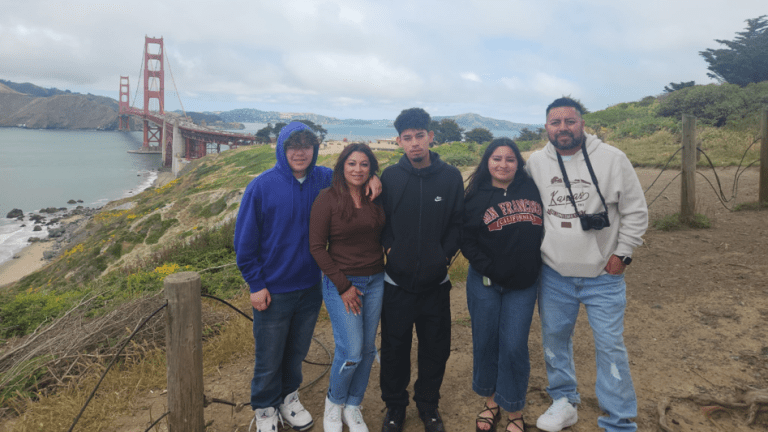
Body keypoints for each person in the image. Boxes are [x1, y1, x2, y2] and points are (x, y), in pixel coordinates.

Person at [234, 122, 381, 432]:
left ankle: (288, 399)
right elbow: (245, 243)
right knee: (268, 355)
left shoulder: (325, 180)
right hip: (273, 288)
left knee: (297, 351)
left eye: (306, 146)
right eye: (292, 146)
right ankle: (264, 410)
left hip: (311, 286)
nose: (299, 152)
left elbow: (355, 173)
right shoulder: (261, 186)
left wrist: (375, 178)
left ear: (314, 149)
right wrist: (256, 284)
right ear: (282, 149)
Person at [526, 97, 648, 432]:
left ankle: (619, 420)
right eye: (555, 122)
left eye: (570, 121)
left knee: (610, 344)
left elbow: (636, 211)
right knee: (554, 339)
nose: (563, 128)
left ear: (583, 124)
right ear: (546, 127)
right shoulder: (536, 162)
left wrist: (623, 254)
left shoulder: (612, 158)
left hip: (602, 276)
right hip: (553, 273)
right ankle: (564, 401)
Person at [378, 108, 464, 432]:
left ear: (430, 136)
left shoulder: (450, 176)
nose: (414, 144)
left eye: (419, 136)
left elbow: (458, 223)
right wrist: (390, 249)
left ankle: (428, 406)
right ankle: (394, 408)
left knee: (435, 349)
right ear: (399, 141)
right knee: (394, 349)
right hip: (396, 283)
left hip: (436, 283)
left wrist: (442, 256)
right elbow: (381, 221)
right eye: (407, 138)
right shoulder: (390, 177)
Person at [461, 138, 543, 432]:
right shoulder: (474, 197)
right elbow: (466, 240)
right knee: (486, 341)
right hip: (486, 283)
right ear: (487, 162)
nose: (503, 164)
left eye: (510, 159)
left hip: (523, 284)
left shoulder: (533, 188)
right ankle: (492, 400)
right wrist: (490, 268)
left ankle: (514, 408)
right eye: (497, 158)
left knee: (513, 345)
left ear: (518, 164)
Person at [309, 143, 386, 432]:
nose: (357, 169)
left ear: (371, 168)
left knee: (367, 350)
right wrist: (343, 286)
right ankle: (333, 404)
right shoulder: (326, 199)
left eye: (364, 164)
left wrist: (376, 181)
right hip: (341, 283)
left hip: (376, 280)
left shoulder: (375, 196)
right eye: (351, 163)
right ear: (342, 166)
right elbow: (317, 247)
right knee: (351, 351)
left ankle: (353, 406)